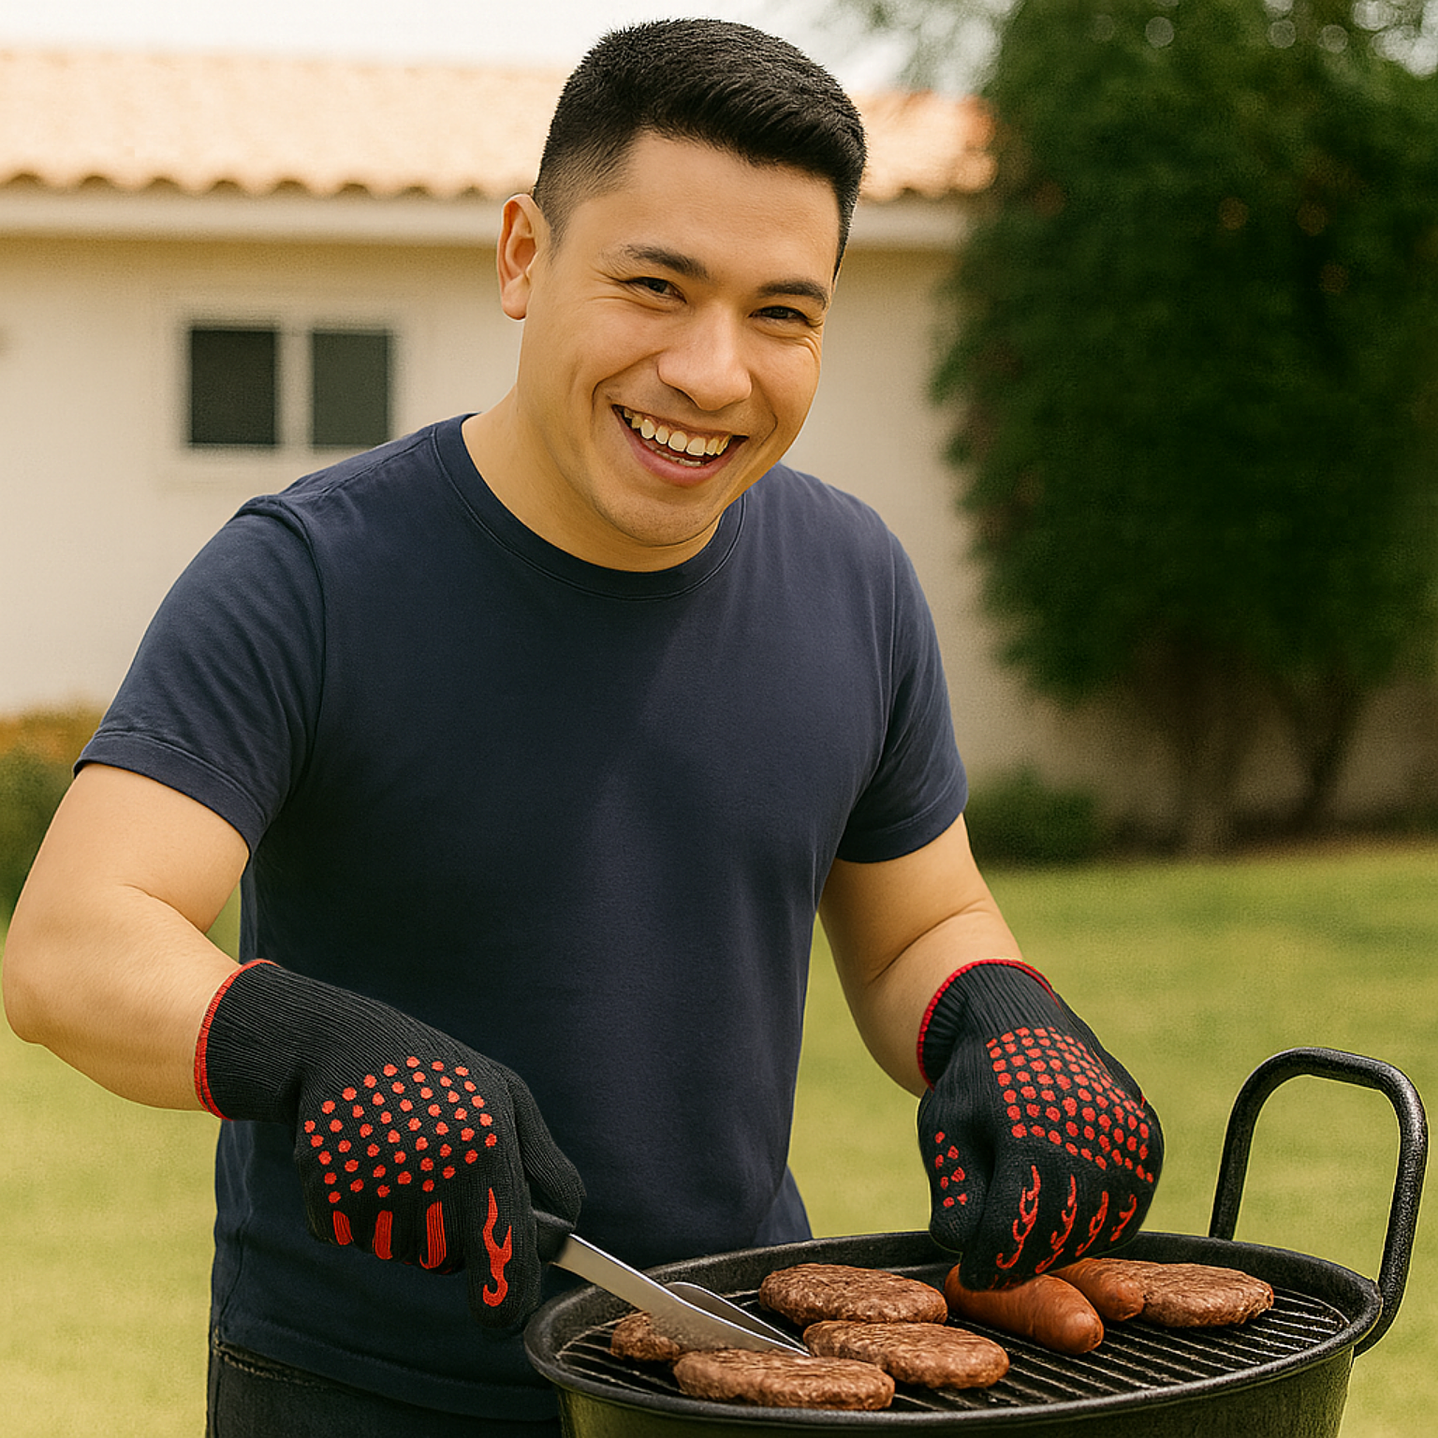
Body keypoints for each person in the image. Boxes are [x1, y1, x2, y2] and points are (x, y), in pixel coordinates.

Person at [2, 18, 1162, 1437]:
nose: (712, 373)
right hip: (364, 1394)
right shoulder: (308, 575)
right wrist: (308, 1047)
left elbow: (918, 922)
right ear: (522, 258)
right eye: (654, 286)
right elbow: (71, 943)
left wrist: (997, 1012)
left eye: (782, 314)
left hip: (734, 1370)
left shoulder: (852, 578)